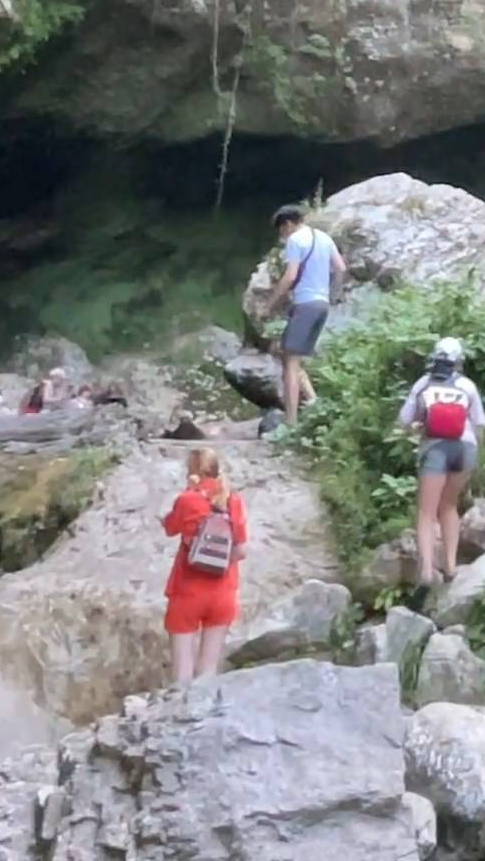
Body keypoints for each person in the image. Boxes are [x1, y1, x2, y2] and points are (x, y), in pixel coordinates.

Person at [397, 337, 485, 591]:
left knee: (427, 512)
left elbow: (403, 420)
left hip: (435, 448)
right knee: (449, 506)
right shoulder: (467, 385)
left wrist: (416, 428)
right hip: (465, 449)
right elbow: (480, 423)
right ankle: (450, 567)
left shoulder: (423, 384)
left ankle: (426, 573)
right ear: (459, 362)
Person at [161, 446, 248, 686]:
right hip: (223, 592)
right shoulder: (234, 500)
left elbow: (170, 528)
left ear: (192, 472)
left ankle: (180, 719)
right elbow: (241, 551)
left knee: (182, 677)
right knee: (207, 675)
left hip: (187, 592)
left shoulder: (187, 500)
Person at [264, 204, 342, 418]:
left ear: (288, 224)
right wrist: (332, 295)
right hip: (322, 305)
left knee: (289, 362)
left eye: (281, 230)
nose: (282, 236)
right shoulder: (324, 238)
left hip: (305, 304)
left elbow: (290, 276)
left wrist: (270, 304)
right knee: (290, 355)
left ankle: (291, 422)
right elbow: (341, 268)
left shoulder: (295, 240)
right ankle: (314, 403)